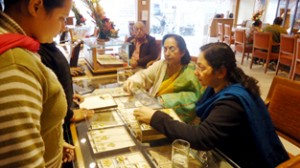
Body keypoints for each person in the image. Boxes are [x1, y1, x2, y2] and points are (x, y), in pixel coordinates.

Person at [133, 42, 289, 167]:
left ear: (221, 72)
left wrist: (155, 117)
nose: (195, 72)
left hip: (244, 160)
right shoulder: (220, 86)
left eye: (201, 68)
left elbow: (201, 138)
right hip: (224, 149)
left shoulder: (232, 103)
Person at [0, 0, 73, 167]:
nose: (63, 27)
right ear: (35, 6)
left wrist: (55, 143)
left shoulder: (18, 48)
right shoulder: (16, 67)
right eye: (62, 18)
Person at [124, 34, 203, 123]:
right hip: (156, 110)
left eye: (172, 49)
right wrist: (132, 81)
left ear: (182, 52)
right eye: (165, 49)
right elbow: (144, 75)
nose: (167, 53)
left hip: (181, 120)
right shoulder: (161, 65)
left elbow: (197, 96)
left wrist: (166, 100)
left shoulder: (192, 70)